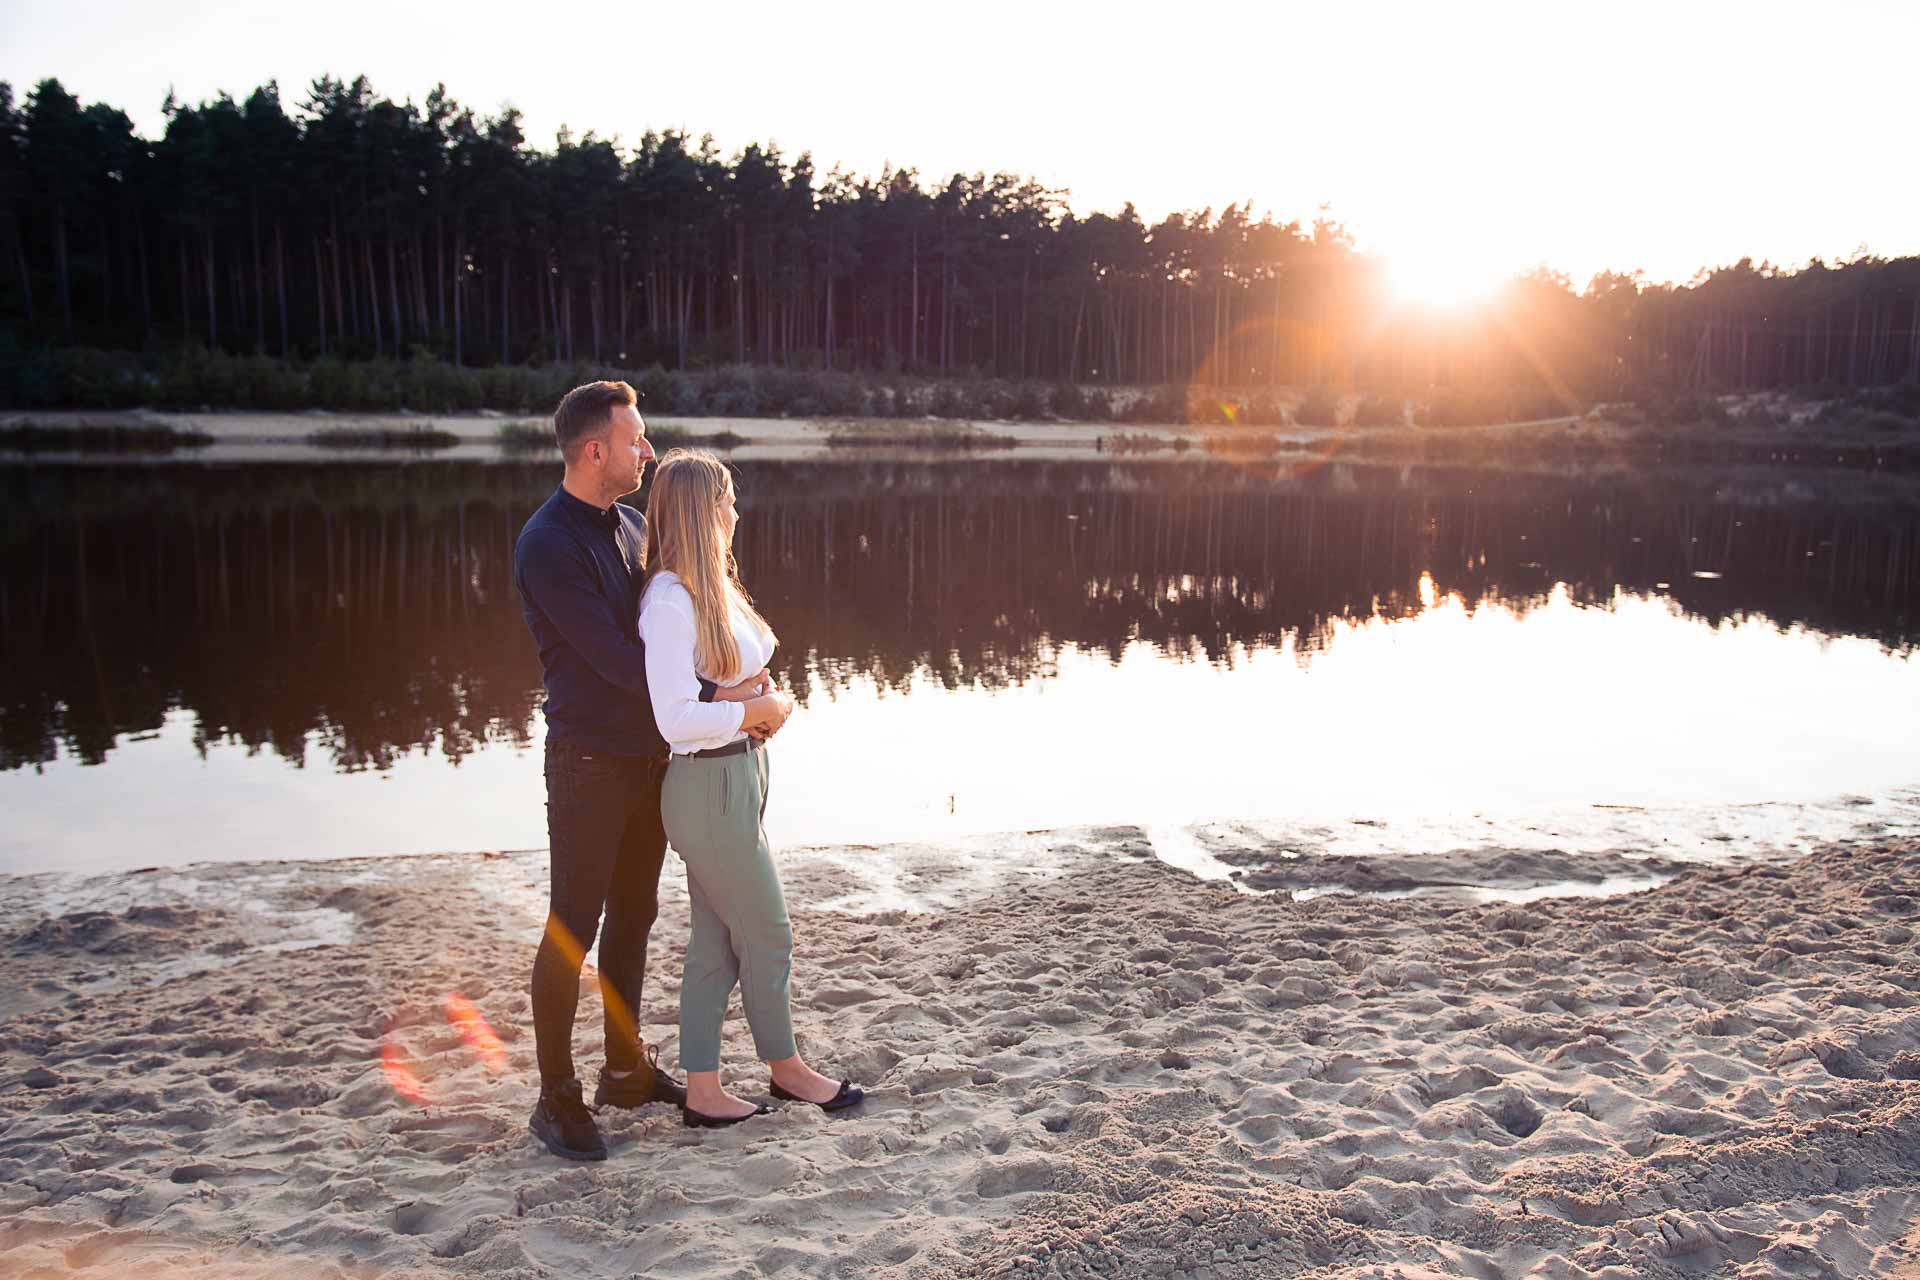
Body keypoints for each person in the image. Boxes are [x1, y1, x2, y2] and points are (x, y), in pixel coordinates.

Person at [512, 381, 791, 1161]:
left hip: (650, 760)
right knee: (573, 923)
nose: (647, 450)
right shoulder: (548, 544)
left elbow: (673, 637)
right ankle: (555, 1097)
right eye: (634, 439)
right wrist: (724, 697)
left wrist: (724, 683)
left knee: (635, 914)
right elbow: (617, 659)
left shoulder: (633, 526)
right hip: (588, 763)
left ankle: (625, 1070)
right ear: (593, 449)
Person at [638, 450, 865, 1128]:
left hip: (740, 776)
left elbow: (718, 686)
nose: (736, 514)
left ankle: (703, 1090)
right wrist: (753, 710)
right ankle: (787, 1070)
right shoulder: (669, 601)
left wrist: (753, 703)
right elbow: (674, 719)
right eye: (727, 502)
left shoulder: (712, 588)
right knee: (768, 933)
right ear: (702, 513)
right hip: (708, 788)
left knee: (715, 943)